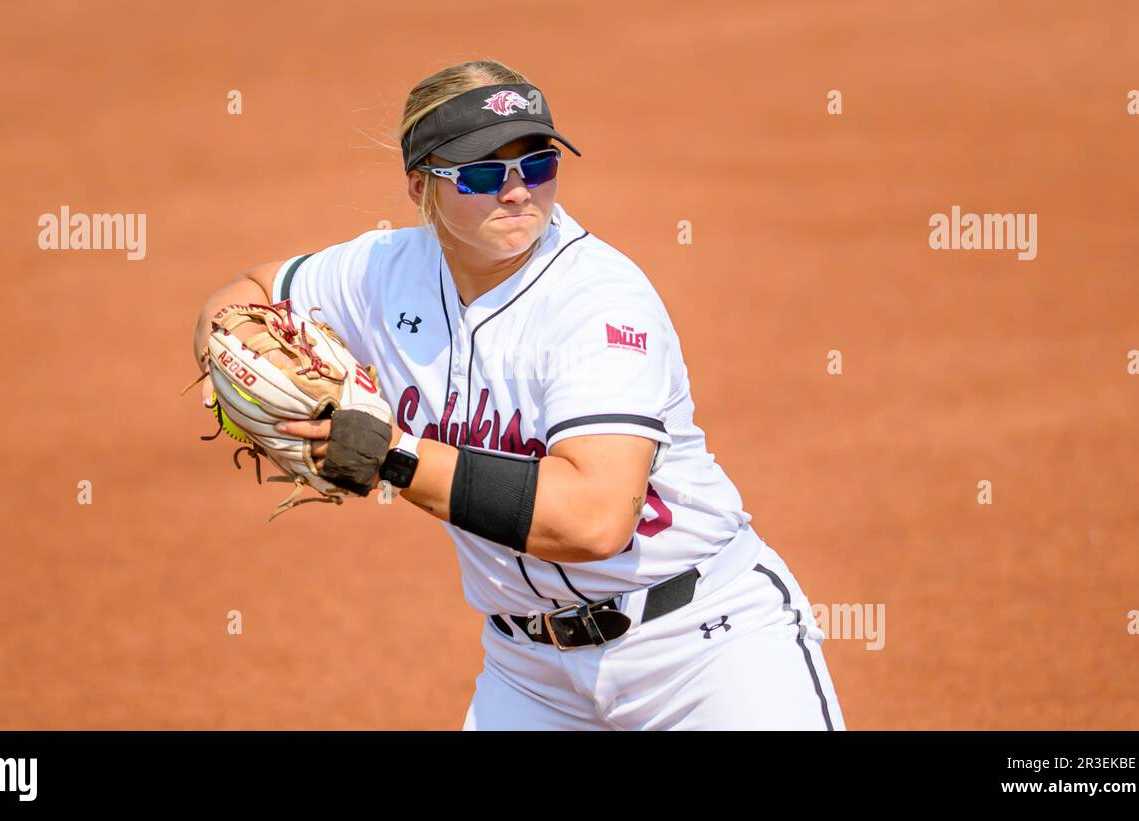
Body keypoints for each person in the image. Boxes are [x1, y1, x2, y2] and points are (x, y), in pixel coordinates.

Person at [192, 59, 846, 730]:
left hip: (704, 651)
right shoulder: (382, 274)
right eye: (481, 173)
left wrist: (393, 457)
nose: (516, 192)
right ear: (421, 185)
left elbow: (595, 519)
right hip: (530, 676)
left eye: (537, 166)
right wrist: (255, 366)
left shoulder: (598, 301)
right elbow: (241, 297)